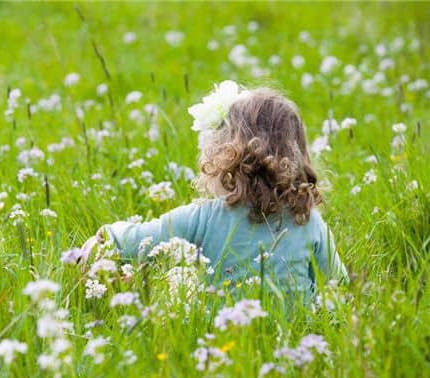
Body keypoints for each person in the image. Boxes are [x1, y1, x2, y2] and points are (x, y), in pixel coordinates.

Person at [82, 81, 348, 296]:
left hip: (220, 341)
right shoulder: (308, 221)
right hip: (292, 343)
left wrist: (104, 238)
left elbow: (137, 240)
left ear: (225, 154)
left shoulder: (204, 217)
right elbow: (337, 287)